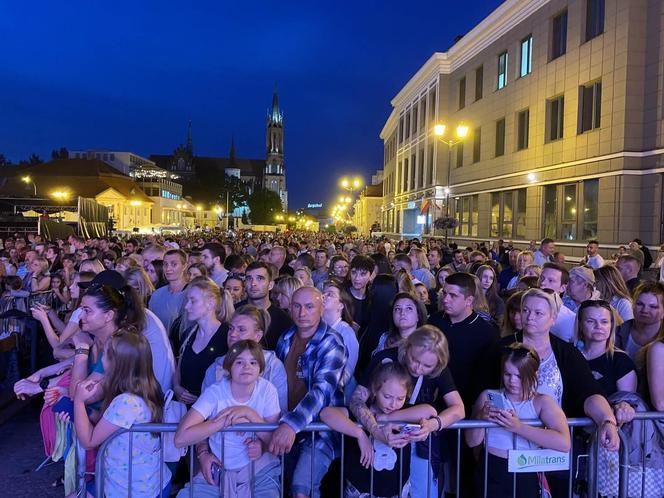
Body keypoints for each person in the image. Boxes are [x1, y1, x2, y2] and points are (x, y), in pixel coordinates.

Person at [350, 326, 465, 498]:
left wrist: (434, 424)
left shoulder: (439, 370)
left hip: (417, 442)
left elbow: (459, 409)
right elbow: (356, 400)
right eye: (414, 359)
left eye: (427, 366)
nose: (418, 369)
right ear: (408, 346)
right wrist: (375, 429)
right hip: (379, 439)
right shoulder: (385, 358)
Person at [174, 340, 281, 498]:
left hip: (260, 471)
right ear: (229, 367)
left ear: (260, 369)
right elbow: (180, 438)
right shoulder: (215, 392)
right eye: (239, 362)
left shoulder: (268, 390)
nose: (247, 367)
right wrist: (224, 421)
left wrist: (249, 414)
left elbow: (275, 442)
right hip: (217, 470)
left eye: (253, 362)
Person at [74, 329, 171, 498]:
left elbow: (88, 441)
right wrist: (87, 414)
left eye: (104, 354)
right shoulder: (145, 390)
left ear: (116, 363)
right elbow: (115, 426)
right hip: (149, 480)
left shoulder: (126, 402)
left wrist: (78, 401)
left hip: (133, 489)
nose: (101, 359)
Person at [269, 286, 347, 498]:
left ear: (321, 309)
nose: (302, 313)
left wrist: (291, 425)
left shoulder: (332, 342)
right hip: (285, 424)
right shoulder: (285, 338)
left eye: (309, 307)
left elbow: (322, 392)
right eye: (297, 306)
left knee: (301, 489)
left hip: (320, 430)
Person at [466, 343, 570, 498]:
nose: (512, 381)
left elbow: (564, 443)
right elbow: (471, 442)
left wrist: (519, 427)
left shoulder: (542, 402)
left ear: (534, 373)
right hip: (491, 468)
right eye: (508, 374)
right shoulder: (488, 396)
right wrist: (481, 418)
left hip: (526, 470)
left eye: (519, 376)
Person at [323, 361, 437, 498]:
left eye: (400, 398)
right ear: (375, 390)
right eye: (387, 397)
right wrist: (360, 434)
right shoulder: (361, 414)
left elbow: (430, 411)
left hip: (395, 492)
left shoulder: (404, 413)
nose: (393, 404)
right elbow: (326, 414)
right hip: (360, 491)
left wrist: (388, 418)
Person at [427, 272, 499, 408]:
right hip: (431, 403)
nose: (446, 299)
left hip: (467, 406)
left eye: (453, 295)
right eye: (444, 293)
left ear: (469, 300)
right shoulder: (434, 321)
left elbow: (488, 378)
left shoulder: (486, 332)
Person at [201, 304, 288, 412]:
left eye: (241, 330)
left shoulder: (273, 366)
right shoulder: (215, 368)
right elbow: (205, 415)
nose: (232, 334)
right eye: (231, 328)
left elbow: (281, 413)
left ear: (258, 336)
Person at [172, 277, 233, 405]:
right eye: (187, 301)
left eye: (193, 301)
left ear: (211, 303)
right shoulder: (187, 335)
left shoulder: (227, 335)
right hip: (185, 409)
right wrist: (177, 388)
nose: (187, 307)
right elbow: (178, 370)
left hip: (214, 411)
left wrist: (205, 399)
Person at [574, 300, 637, 402]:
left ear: (611, 325)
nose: (598, 326)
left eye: (604, 321)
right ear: (580, 325)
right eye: (590, 321)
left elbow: (627, 403)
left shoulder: (621, 361)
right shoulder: (568, 354)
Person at [241, 262, 293, 350]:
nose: (253, 283)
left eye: (260, 278)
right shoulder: (234, 311)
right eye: (249, 278)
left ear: (270, 285)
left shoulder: (284, 320)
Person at [321, 280, 358, 398]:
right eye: (324, 293)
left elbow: (347, 372)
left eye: (330, 294)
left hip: (335, 394)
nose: (323, 296)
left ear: (341, 305)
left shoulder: (346, 333)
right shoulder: (316, 328)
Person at [615, 281, 664, 360]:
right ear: (633, 305)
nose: (645, 310)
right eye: (639, 304)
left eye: (653, 306)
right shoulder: (616, 332)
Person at [149, 249, 188, 333]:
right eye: (165, 264)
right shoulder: (156, 294)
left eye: (174, 264)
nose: (168, 268)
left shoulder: (190, 294)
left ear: (184, 266)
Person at [537, 262, 577, 343]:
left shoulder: (571, 319)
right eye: (541, 278)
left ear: (562, 288)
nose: (542, 283)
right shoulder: (524, 309)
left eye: (551, 280)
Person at [347, 255, 376, 333]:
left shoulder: (373, 299)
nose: (357, 278)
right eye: (354, 272)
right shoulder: (341, 295)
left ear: (371, 276)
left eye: (363, 274)